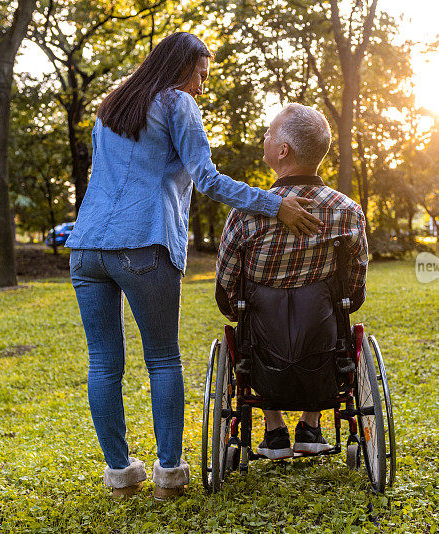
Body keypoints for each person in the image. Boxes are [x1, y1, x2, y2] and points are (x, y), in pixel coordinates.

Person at [65, 33, 322, 500]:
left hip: (86, 248)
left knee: (103, 364)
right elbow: (206, 179)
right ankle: (167, 476)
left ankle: (120, 477)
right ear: (181, 68)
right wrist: (273, 204)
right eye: (201, 75)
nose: (202, 87)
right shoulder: (176, 103)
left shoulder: (112, 103)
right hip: (142, 243)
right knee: (162, 358)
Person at [216, 103, 369, 460]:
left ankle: (274, 431)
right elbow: (355, 286)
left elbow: (227, 290)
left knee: (249, 317)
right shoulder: (346, 211)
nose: (264, 138)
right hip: (323, 345)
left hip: (262, 353)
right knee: (329, 310)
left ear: (282, 151)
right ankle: (311, 426)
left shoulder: (246, 212)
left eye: (269, 133)